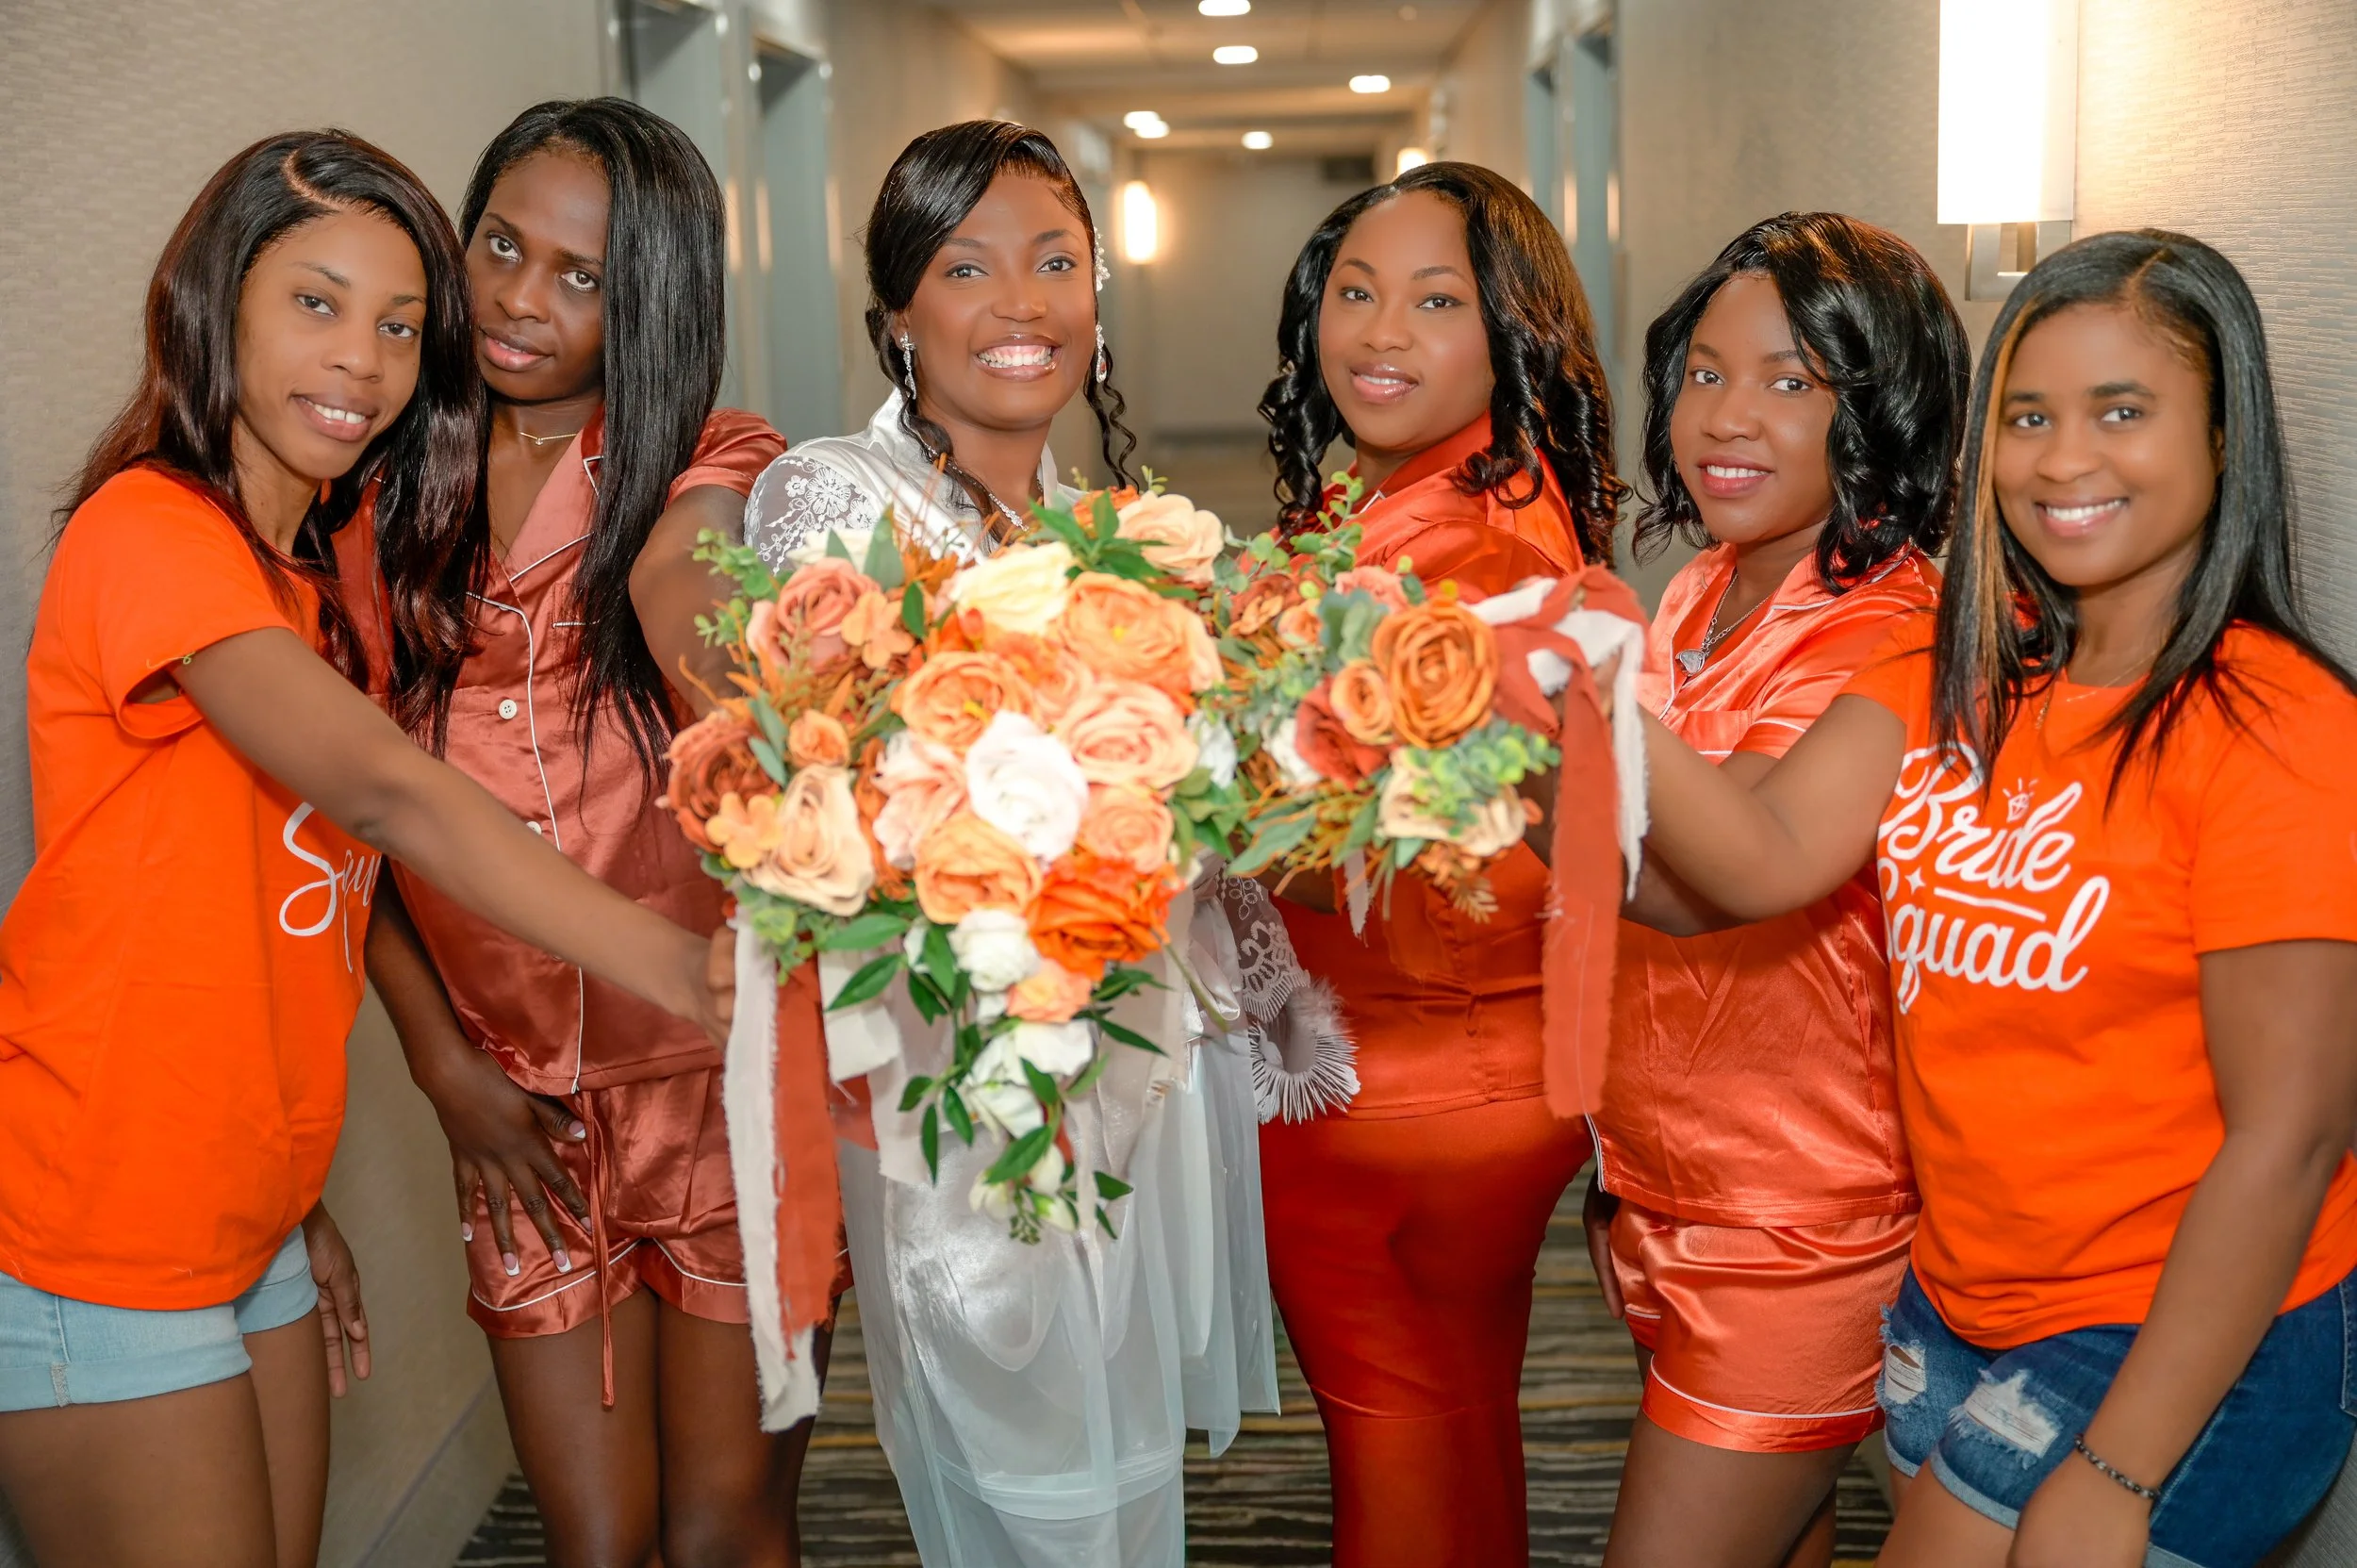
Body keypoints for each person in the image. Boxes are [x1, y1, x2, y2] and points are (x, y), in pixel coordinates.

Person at [0, 131, 730, 1568]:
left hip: (251, 1220)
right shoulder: (150, 533)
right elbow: (393, 799)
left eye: (401, 325)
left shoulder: (310, 575)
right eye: (315, 304)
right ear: (212, 303)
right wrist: (687, 969)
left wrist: (292, 1204)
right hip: (101, 1231)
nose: (362, 360)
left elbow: (260, 928)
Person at [1631, 230, 2357, 1568]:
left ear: (2223, 435)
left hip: (2175, 1334)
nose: (2064, 460)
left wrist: (2123, 1464)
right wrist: (1561, 694)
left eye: (2121, 413)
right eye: (2029, 418)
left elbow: (2292, 1139)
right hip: (1961, 1299)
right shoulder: (1951, 671)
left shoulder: (2275, 726)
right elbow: (1756, 855)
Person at [738, 120, 1277, 1568]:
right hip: (953, 1075)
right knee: (1025, 1460)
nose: (1022, 303)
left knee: (1119, 1461)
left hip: (1124, 1056)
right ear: (898, 314)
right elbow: (836, 788)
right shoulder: (832, 499)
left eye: (1055, 261)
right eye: (967, 268)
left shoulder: (1110, 534)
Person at [338, 100, 816, 1568]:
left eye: (581, 275)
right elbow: (348, 815)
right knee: (595, 1542)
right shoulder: (366, 492)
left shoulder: (710, 454)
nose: (519, 300)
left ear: (650, 294)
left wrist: (742, 672)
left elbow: (689, 572)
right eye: (499, 247)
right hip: (515, 1099)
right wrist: (441, 1066)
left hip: (722, 1074)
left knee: (725, 1526)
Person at [1254, 159, 1632, 1568]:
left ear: (1510, 328)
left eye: (1433, 301)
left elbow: (1364, 833)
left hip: (1395, 1074)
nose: (1379, 332)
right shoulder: (1462, 495)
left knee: (1398, 1441)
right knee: (1454, 1424)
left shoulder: (1459, 552)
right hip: (1470, 1057)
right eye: (1355, 293)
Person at [1594, 213, 1967, 1568]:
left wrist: (1509, 729)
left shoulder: (1893, 628)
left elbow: (1708, 884)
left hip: (1794, 1219)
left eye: (1790, 381)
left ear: (1880, 409)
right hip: (1659, 1178)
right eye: (1704, 373)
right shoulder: (1699, 589)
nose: (1727, 416)